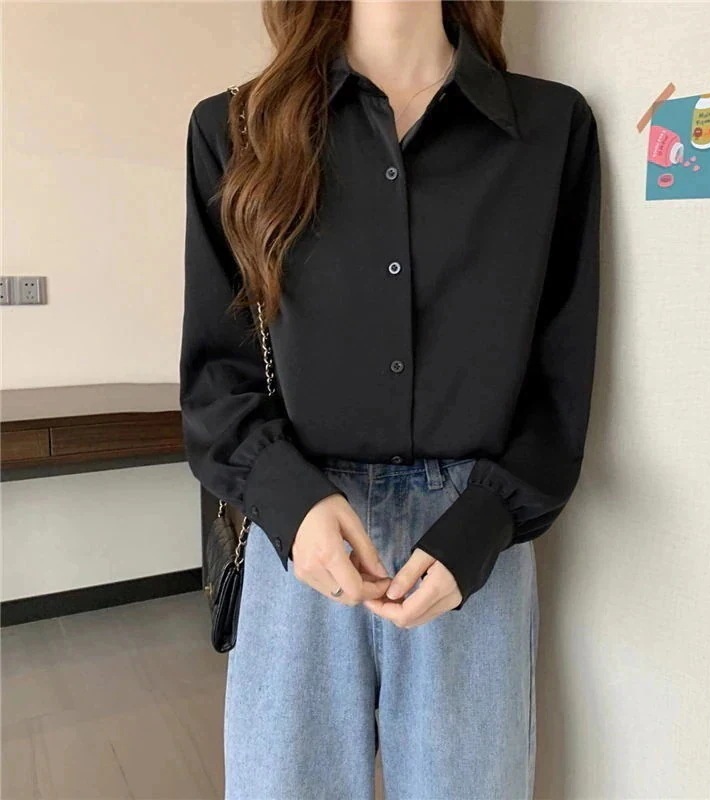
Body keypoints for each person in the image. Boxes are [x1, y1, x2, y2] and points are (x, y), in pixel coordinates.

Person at [179, 1, 601, 797]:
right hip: (302, 537)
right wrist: (290, 500)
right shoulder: (235, 130)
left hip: (472, 540)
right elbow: (217, 373)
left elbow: (561, 373)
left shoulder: (550, 130)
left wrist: (487, 521)